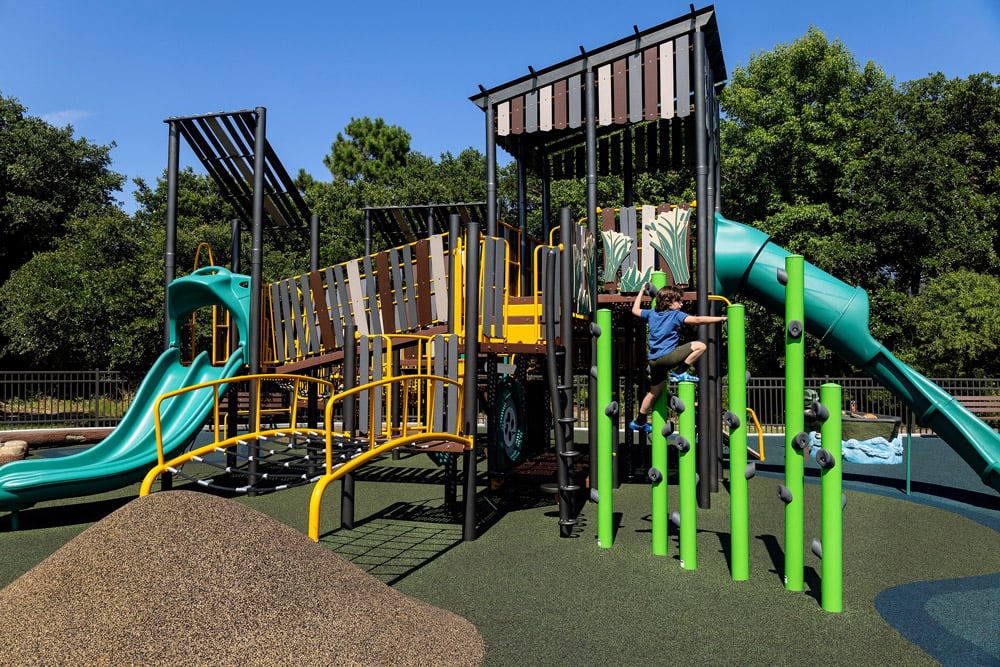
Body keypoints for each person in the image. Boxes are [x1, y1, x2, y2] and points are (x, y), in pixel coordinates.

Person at [628, 284, 727, 433]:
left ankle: (639, 421)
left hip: (654, 361)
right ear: (669, 302)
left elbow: (634, 310)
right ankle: (681, 371)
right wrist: (719, 319)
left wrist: (641, 292)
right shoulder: (676, 315)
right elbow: (698, 320)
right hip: (667, 357)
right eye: (678, 301)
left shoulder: (651, 314)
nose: (682, 303)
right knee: (700, 346)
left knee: (654, 392)